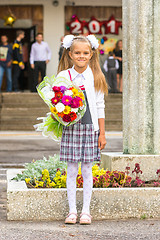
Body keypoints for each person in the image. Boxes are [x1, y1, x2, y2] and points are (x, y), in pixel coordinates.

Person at [57, 35, 108, 225]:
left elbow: (100, 106)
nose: (81, 56)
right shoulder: (64, 76)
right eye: (77, 53)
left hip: (90, 129)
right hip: (70, 129)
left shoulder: (95, 77)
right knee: (71, 171)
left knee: (87, 170)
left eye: (85, 53)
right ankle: (72, 211)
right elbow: (56, 104)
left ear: (91, 54)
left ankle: (86, 211)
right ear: (70, 54)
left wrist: (101, 133)